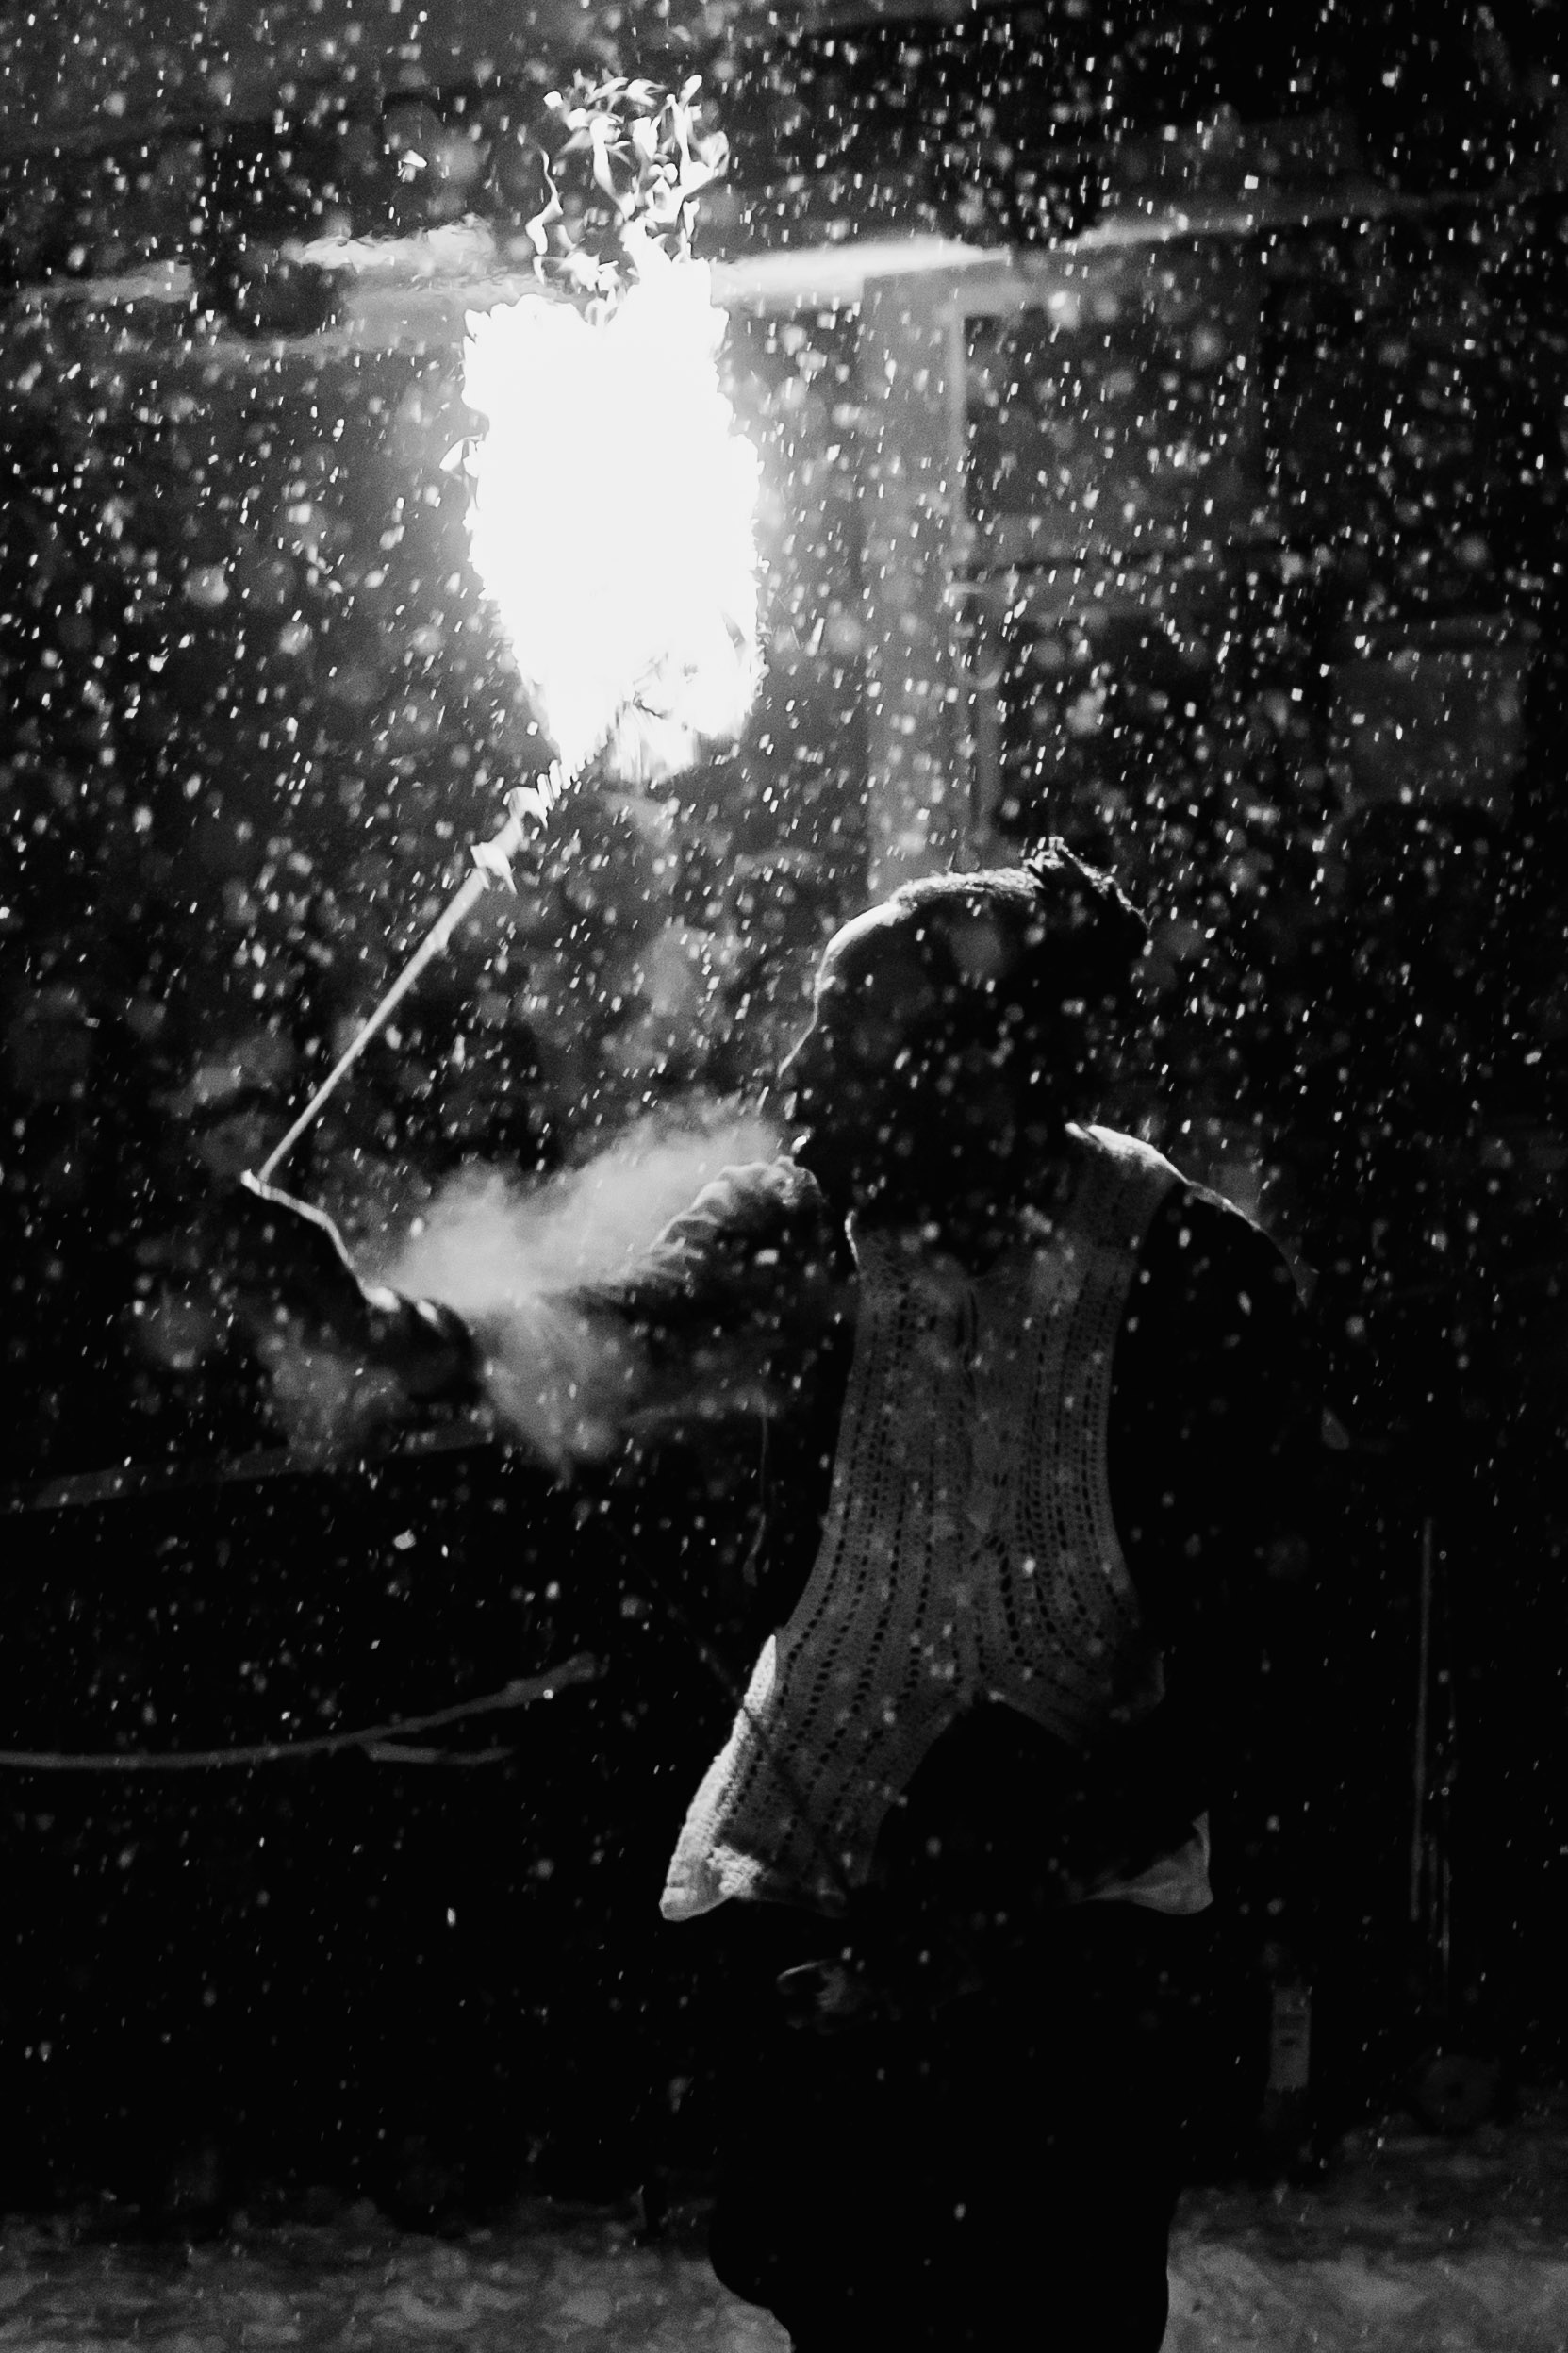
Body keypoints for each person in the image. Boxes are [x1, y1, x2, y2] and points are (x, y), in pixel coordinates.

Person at [215, 843, 1313, 2351]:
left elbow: (1255, 1659)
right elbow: (627, 1332)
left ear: (987, 1070)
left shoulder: (1193, 1274)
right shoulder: (804, 1223)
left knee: (1054, 2312)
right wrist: (383, 1322)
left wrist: (1026, 1850)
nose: (795, 1073)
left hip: (1078, 1946)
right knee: (841, 2300)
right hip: (822, 1872)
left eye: (845, 1034)